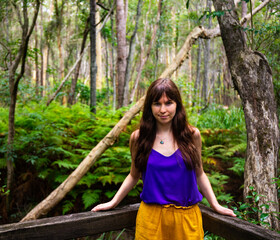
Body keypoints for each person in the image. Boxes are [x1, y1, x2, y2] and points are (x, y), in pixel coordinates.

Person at [91, 78, 236, 239]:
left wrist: (215, 205)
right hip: (151, 220)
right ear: (149, 106)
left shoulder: (191, 135)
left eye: (168, 103)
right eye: (157, 103)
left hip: (187, 219)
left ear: (177, 105)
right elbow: (134, 175)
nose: (163, 109)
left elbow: (200, 173)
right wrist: (113, 202)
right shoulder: (139, 138)